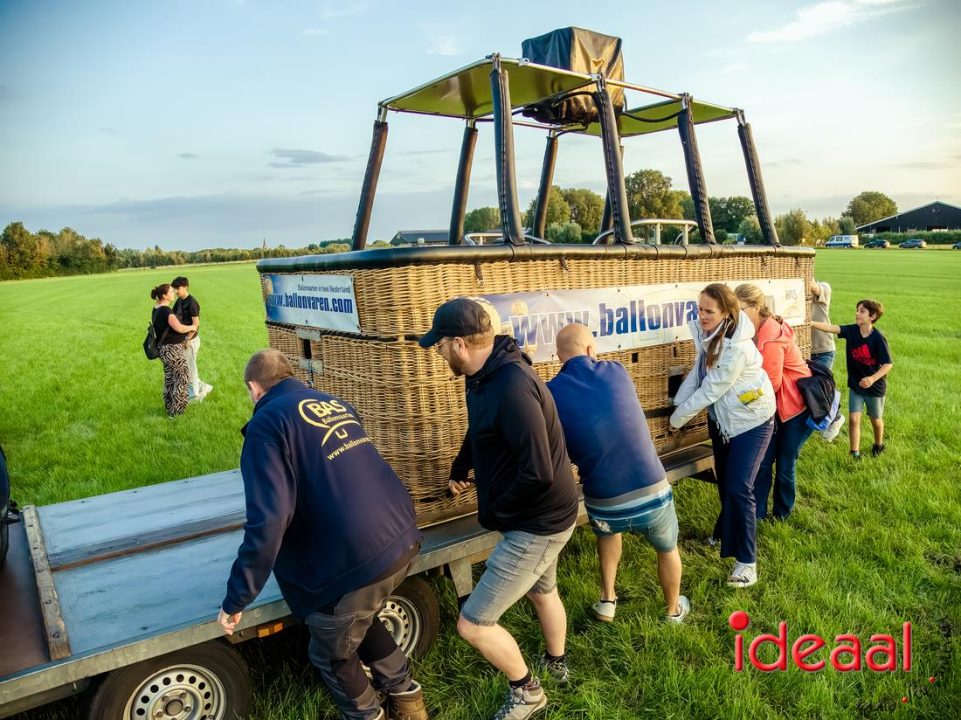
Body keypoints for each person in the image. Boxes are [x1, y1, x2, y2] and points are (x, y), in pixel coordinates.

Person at [217, 349, 427, 720]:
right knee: (359, 618)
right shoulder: (334, 402)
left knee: (332, 653)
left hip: (356, 556)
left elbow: (269, 519)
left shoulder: (267, 425)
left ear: (254, 388)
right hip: (402, 536)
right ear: (288, 375)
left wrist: (237, 598)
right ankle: (408, 698)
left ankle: (368, 714)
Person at [418, 298, 578, 720]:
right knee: (543, 591)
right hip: (540, 514)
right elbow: (481, 426)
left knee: (473, 623)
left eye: (440, 345)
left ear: (459, 344)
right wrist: (462, 463)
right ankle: (557, 664)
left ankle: (528, 693)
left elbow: (539, 472)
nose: (438, 353)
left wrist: (498, 512)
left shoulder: (510, 386)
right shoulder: (483, 375)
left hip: (537, 522)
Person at [545, 323, 689, 624]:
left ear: (559, 358)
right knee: (667, 548)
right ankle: (672, 610)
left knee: (608, 532)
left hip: (604, 501)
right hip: (651, 491)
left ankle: (608, 599)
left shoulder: (550, 393)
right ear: (591, 350)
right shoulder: (617, 371)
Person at [669, 283, 775, 588]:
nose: (701, 315)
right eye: (699, 309)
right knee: (726, 485)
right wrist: (677, 404)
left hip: (752, 422)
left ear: (727, 313)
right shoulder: (709, 335)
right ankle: (723, 533)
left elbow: (710, 389)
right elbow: (698, 374)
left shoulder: (737, 348)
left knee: (740, 487)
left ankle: (747, 563)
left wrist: (677, 419)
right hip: (723, 421)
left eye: (709, 311)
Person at [735, 284, 814, 522]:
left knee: (785, 462)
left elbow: (771, 383)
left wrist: (741, 400)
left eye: (741, 309)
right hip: (774, 409)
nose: (737, 316)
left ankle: (782, 514)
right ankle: (757, 513)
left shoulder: (770, 336)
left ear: (757, 307)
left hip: (794, 409)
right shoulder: (756, 329)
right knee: (763, 462)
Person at [810, 299, 893, 459]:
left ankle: (878, 445)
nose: (857, 313)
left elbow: (888, 365)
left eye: (862, 311)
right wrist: (812, 323)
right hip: (856, 385)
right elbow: (832, 328)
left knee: (875, 419)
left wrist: (872, 379)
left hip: (874, 387)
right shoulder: (852, 331)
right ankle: (854, 453)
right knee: (854, 419)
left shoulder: (878, 338)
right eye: (857, 310)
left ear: (872, 316)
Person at [150, 284, 196, 417]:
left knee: (170, 378)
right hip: (172, 350)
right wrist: (192, 327)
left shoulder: (156, 308)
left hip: (164, 349)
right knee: (182, 377)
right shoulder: (166, 311)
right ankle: (176, 411)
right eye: (171, 291)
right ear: (164, 296)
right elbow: (180, 328)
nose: (174, 293)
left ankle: (169, 407)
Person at [809, 279, 845, 442]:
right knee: (808, 390)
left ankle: (836, 418)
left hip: (823, 350)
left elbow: (813, 287)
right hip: (804, 351)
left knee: (822, 388)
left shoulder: (824, 288)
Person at [171, 276, 213, 402]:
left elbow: (196, 324)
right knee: (186, 368)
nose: (175, 291)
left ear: (185, 287)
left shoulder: (192, 302)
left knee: (190, 369)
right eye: (174, 289)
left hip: (191, 341)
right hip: (183, 340)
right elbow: (173, 316)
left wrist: (187, 339)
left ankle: (195, 396)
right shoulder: (179, 301)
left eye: (177, 288)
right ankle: (204, 387)